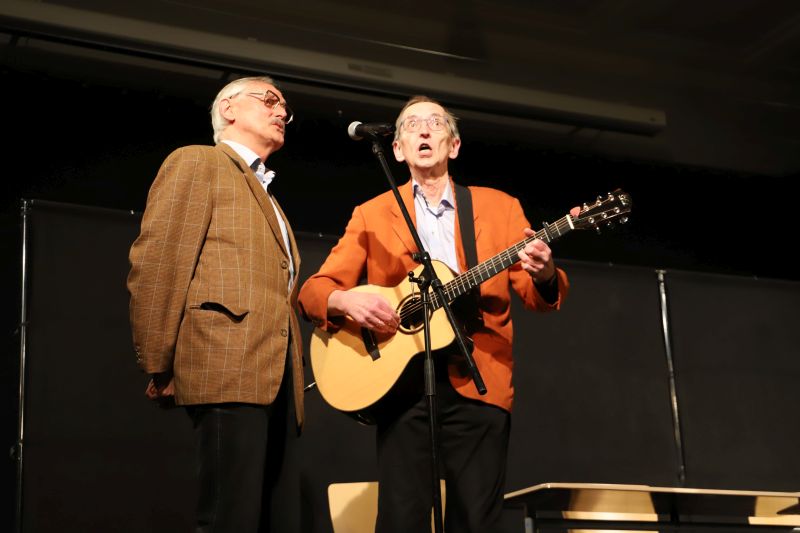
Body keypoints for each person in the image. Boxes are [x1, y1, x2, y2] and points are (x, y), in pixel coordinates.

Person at [297, 95, 573, 532]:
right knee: (401, 519)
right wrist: (345, 302)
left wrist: (545, 273)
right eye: (411, 125)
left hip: (480, 380)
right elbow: (314, 290)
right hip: (401, 385)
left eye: (435, 123)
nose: (424, 130)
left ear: (454, 145)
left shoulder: (499, 207)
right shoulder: (371, 214)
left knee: (475, 520)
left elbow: (537, 297)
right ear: (397, 149)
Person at [127, 75, 304, 532]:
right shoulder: (198, 161)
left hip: (277, 372)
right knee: (231, 517)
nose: (281, 112)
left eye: (285, 107)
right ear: (228, 109)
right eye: (269, 100)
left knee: (278, 518)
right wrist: (159, 362)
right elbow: (160, 261)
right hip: (227, 363)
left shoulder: (268, 192)